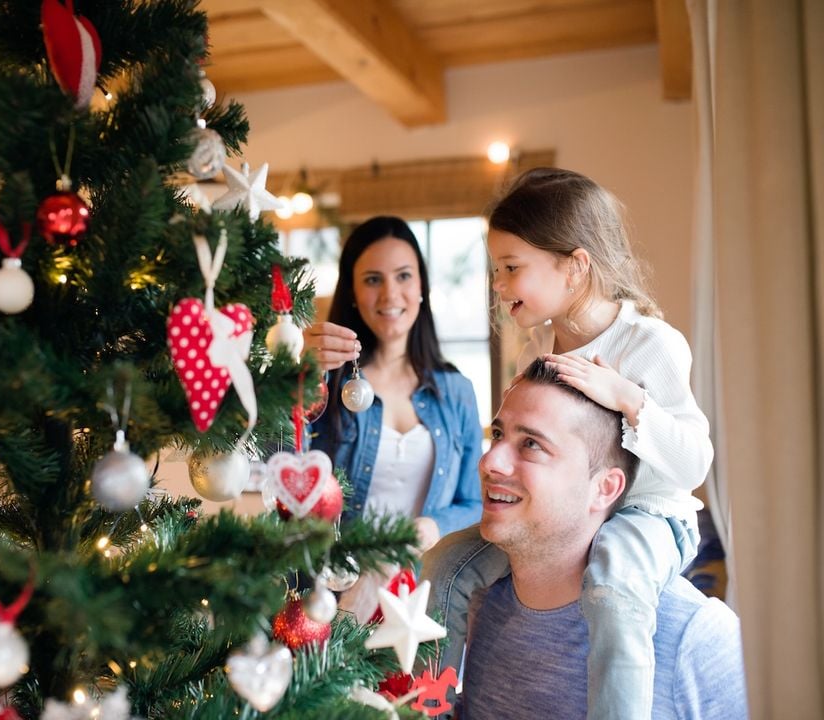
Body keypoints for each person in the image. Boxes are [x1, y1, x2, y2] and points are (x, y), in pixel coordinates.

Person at [422, 168, 714, 719]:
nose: (498, 284)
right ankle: (425, 706)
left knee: (614, 588)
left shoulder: (649, 343)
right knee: (445, 566)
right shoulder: (534, 350)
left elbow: (694, 462)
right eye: (494, 269)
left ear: (575, 266)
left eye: (511, 268)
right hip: (561, 518)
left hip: (647, 516)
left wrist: (628, 398)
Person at [448, 359, 746, 719]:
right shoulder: (480, 603)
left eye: (530, 444)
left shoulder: (695, 638)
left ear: (605, 489)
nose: (490, 461)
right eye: (498, 435)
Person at [303, 216, 483, 554]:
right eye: (373, 279)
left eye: (403, 276)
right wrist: (300, 375)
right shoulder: (329, 381)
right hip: (338, 589)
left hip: (426, 590)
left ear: (421, 288)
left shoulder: (457, 391)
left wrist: (436, 525)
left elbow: (476, 502)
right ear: (353, 293)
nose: (390, 294)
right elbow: (284, 465)